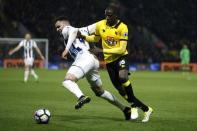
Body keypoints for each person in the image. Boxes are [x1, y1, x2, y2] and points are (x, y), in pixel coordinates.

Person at [77, 5, 153, 122]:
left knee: (123, 77)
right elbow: (96, 39)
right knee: (121, 91)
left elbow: (121, 49)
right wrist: (83, 37)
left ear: (116, 16)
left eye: (110, 15)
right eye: (106, 15)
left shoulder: (123, 27)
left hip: (121, 57)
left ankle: (133, 106)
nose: (107, 18)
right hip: (109, 61)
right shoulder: (101, 25)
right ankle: (147, 109)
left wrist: (101, 50)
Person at [54, 16, 132, 120]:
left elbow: (72, 31)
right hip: (93, 61)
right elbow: (97, 25)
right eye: (56, 28)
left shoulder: (67, 29)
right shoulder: (83, 30)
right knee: (100, 92)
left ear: (65, 24)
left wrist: (66, 49)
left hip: (84, 58)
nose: (57, 29)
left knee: (67, 81)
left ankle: (81, 97)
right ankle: (125, 109)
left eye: (58, 26)